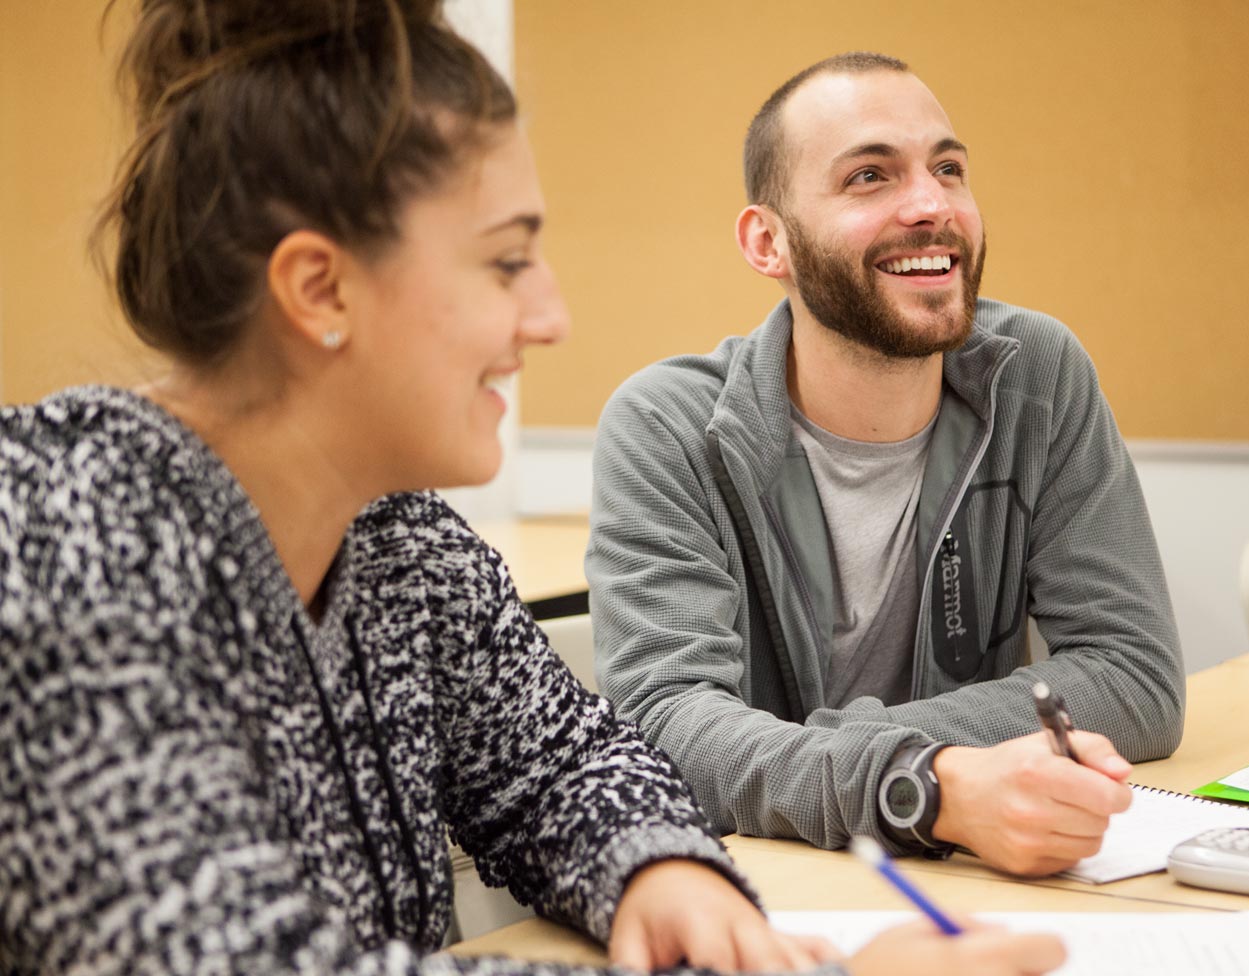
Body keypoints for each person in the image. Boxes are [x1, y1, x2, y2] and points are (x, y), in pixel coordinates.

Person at [0, 9, 1064, 976]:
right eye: (508, 263)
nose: (549, 316)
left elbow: (562, 762)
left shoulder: (400, 539)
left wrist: (656, 866)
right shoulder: (64, 541)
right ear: (320, 289)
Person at [587, 52, 1186, 877]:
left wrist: (880, 760)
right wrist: (920, 782)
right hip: (767, 889)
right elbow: (664, 722)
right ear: (769, 242)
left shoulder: (1035, 376)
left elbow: (1136, 676)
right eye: (870, 176)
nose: (932, 205)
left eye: (949, 168)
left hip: (972, 873)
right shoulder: (668, 426)